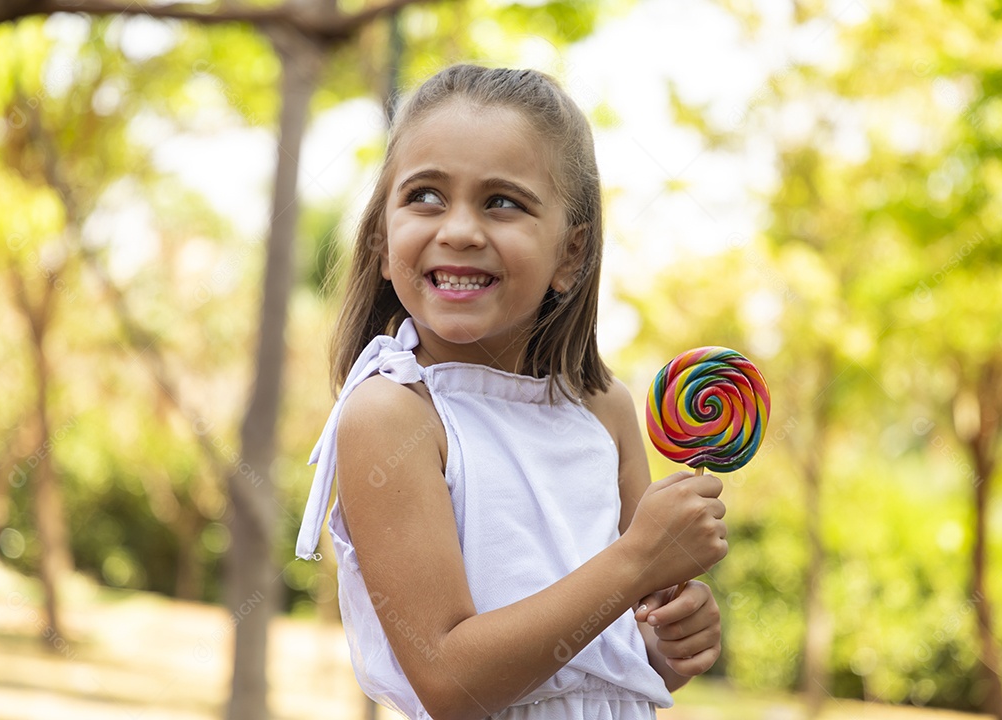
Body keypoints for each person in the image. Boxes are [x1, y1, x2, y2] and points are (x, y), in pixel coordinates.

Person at [296, 64, 728, 720]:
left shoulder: (603, 409)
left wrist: (669, 641)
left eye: (502, 201)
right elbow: (451, 681)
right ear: (383, 243)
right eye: (426, 197)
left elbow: (617, 662)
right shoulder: (393, 415)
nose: (461, 229)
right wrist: (636, 560)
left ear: (570, 254)